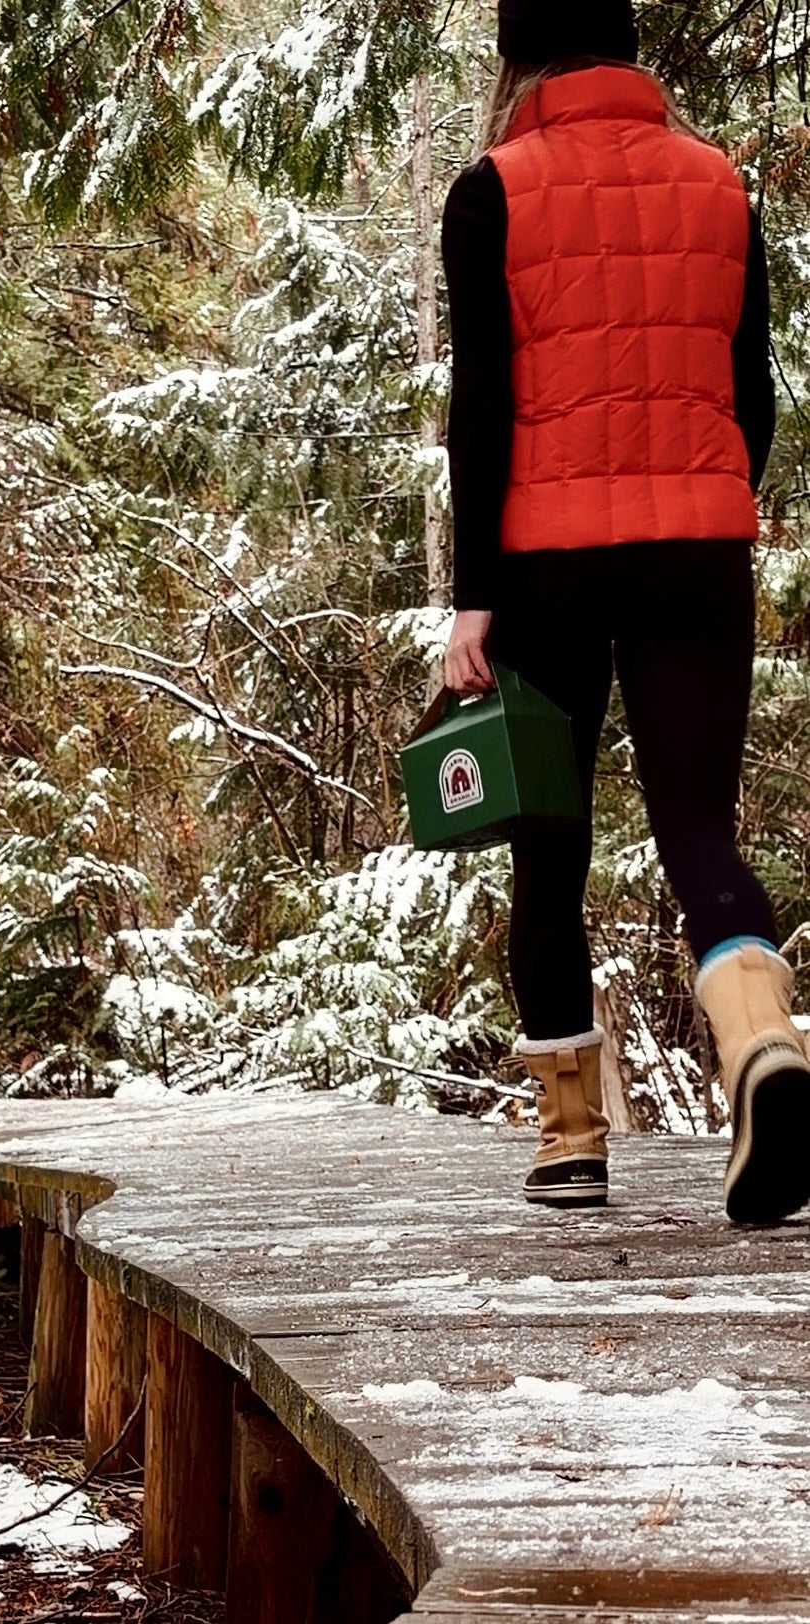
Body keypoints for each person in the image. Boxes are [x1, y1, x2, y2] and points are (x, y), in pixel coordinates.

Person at [441, 0, 810, 1222]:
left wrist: (473, 596)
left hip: (545, 558)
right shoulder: (718, 183)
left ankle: (569, 1140)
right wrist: (705, 498)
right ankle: (762, 1047)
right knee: (700, 830)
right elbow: (747, 391)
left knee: (550, 845)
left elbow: (483, 409)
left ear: (521, 53)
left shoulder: (492, 189)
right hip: (699, 549)